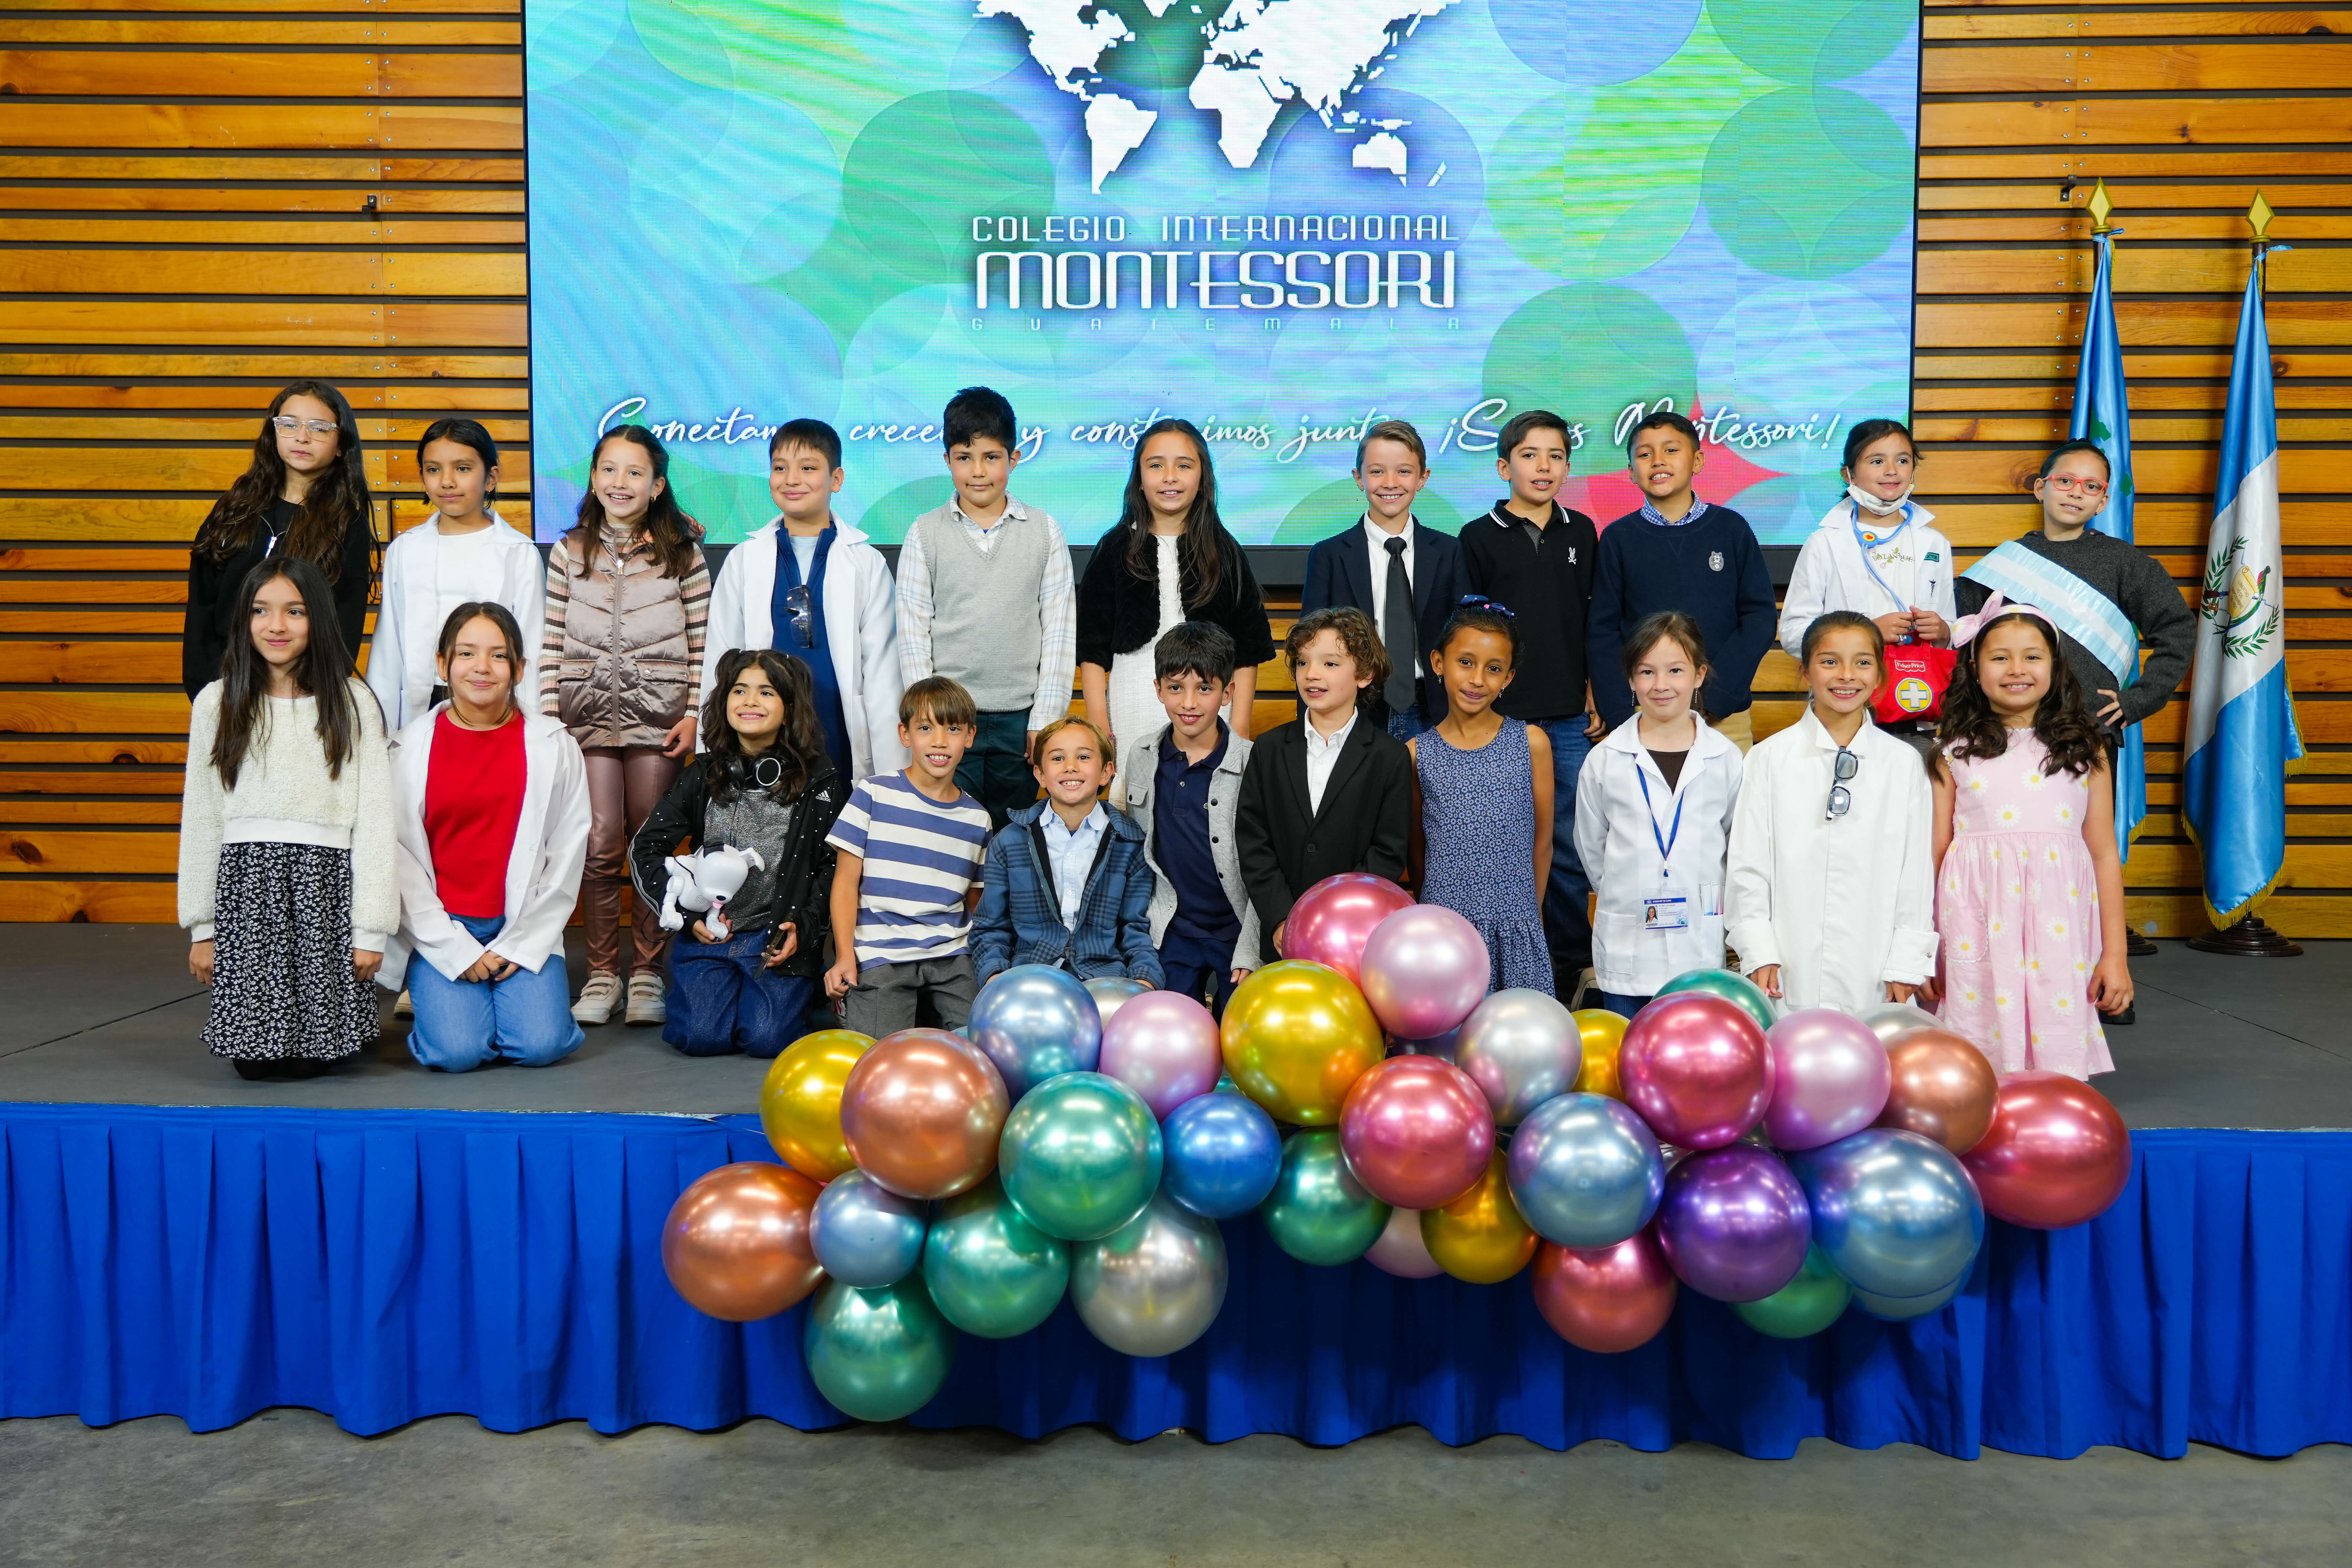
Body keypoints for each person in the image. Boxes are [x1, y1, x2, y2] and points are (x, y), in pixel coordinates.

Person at [1957, 437, 2194, 992]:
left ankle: (2097, 980)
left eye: (2091, 486)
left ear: (2104, 499)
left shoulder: (2126, 563)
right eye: (2065, 481)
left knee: (2085, 857)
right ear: (2040, 487)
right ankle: (2008, 980)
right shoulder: (1997, 567)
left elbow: (2177, 632)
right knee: (2010, 857)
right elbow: (1963, 648)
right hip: (2002, 740)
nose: (2075, 492)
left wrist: (2137, 700)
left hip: (2084, 736)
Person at [178, 558, 394, 1079]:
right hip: (249, 893)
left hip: (326, 888)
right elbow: (202, 818)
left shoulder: (353, 702)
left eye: (295, 611)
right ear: (244, 619)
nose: (277, 626)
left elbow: (375, 820)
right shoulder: (217, 702)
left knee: (318, 1059)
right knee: (255, 1065)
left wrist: (371, 931)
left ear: (319, 618)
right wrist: (203, 928)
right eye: (262, 611)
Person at [540, 425, 712, 1028]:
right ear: (593, 478)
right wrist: (548, 718)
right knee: (598, 843)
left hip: (659, 717)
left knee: (650, 843)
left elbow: (704, 640)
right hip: (583, 717)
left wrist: (694, 713)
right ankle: (601, 973)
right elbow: (550, 639)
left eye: (635, 472)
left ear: (656, 485)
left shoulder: (683, 553)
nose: (620, 482)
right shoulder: (569, 551)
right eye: (609, 469)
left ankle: (647, 973)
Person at [381, 603, 590, 1072]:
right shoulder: (405, 750)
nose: (482, 667)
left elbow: (568, 851)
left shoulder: (555, 745)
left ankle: (503, 1006)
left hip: (523, 921)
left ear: (519, 669)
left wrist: (521, 944)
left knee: (540, 1047)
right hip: (443, 924)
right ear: (442, 664)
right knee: (457, 1053)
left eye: (498, 656)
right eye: (466, 654)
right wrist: (451, 946)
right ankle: (451, 1004)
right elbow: (399, 860)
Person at [1931, 600, 2129, 1075]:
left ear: (2055, 667)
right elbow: (1935, 854)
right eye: (2000, 657)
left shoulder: (2087, 749)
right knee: (1977, 1032)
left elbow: (2104, 854)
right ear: (1974, 668)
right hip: (1976, 919)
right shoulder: (1952, 753)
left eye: (2032, 657)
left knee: (2055, 1018)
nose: (2016, 669)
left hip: (2057, 921)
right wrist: (1928, 949)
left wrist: (2116, 955)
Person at [630, 649, 844, 1058]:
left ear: (790, 708)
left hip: (775, 940)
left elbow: (833, 865)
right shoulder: (702, 774)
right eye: (740, 690)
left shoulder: (821, 779)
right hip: (710, 933)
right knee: (700, 1037)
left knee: (768, 1039)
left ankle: (799, 989)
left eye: (767, 692)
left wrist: (805, 927)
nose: (750, 701)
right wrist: (688, 917)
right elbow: (646, 848)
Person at [1726, 611, 1936, 1013]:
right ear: (1805, 671)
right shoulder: (1769, 758)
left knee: (1872, 1045)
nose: (1846, 675)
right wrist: (1758, 948)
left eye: (1863, 662)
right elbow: (1747, 865)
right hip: (1787, 965)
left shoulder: (1902, 763)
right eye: (1829, 661)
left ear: (1880, 674)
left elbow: (1916, 872)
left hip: (1877, 967)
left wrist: (1907, 959)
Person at [1459, 409, 1601, 990]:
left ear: (1567, 467)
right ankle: (1498, 960)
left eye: (1556, 456)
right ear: (1503, 467)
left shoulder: (1582, 532)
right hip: (1501, 719)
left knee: (1566, 841)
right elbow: (1469, 631)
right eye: (1529, 455)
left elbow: (1594, 621)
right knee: (1502, 841)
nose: (1543, 466)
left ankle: (1568, 961)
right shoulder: (1477, 537)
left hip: (1567, 716)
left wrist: (1594, 688)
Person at [896, 386, 1075, 827]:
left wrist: (1045, 719)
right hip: (950, 719)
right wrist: (928, 719)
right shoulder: (924, 533)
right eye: (965, 457)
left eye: (992, 457)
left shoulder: (1045, 531)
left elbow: (1059, 630)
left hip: (1021, 719)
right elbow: (913, 632)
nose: (978, 471)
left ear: (1014, 459)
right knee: (950, 829)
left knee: (1015, 832)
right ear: (947, 461)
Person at [702, 419, 905, 783]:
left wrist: (892, 775)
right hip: (762, 731)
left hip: (838, 730)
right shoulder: (744, 560)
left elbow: (883, 675)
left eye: (808, 468)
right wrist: (711, 754)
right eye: (780, 468)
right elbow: (721, 660)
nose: (792, 480)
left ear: (837, 479)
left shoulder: (867, 563)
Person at [1575, 612, 1744, 1017]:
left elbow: (1735, 843)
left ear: (1699, 675)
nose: (1661, 684)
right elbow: (1592, 848)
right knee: (1627, 1047)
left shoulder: (1725, 758)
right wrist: (1629, 886)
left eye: (1675, 670)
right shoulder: (1605, 759)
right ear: (1631, 680)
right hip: (1628, 944)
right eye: (1647, 671)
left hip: (1698, 943)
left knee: (1694, 1049)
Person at [1078, 418, 1275, 758]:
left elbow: (1248, 651)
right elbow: (1091, 650)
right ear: (1139, 479)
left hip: (1209, 711)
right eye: (1156, 466)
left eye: (1184, 465)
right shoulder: (1113, 549)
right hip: (1132, 705)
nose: (1170, 476)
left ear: (1203, 478)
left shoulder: (1224, 550)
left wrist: (1240, 728)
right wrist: (1099, 724)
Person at [1589, 411, 1775, 753]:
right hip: (1644, 713)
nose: (1658, 461)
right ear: (1631, 472)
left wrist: (1717, 697)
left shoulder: (1731, 528)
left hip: (1723, 718)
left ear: (1698, 461)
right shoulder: (1617, 538)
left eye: (1671, 450)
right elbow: (1603, 631)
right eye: (1645, 454)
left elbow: (1759, 618)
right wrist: (1619, 713)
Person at [183, 380, 377, 698]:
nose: (302, 437)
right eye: (289, 424)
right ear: (273, 434)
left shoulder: (347, 524)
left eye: (319, 428)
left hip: (301, 694)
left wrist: (310, 697)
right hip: (225, 686)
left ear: (341, 444)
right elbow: (202, 607)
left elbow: (344, 626)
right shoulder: (234, 509)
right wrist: (208, 693)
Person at [823, 676, 994, 1034]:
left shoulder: (978, 819)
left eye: (953, 729)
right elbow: (845, 883)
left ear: (970, 736)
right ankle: (852, 1004)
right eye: (926, 728)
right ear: (905, 734)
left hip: (951, 953)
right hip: (882, 951)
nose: (939, 741)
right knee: (881, 1053)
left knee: (983, 1041)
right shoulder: (873, 794)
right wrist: (845, 956)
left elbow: (975, 900)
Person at [1235, 607, 1413, 950]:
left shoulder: (1389, 757)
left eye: (1330, 664)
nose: (1312, 674)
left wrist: (1335, 919)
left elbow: (1387, 853)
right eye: (1303, 663)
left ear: (1365, 675)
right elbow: (1253, 841)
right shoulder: (1269, 748)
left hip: (1352, 936)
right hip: (1281, 936)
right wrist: (1282, 919)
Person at [1779, 419, 1955, 759]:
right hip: (1843, 710)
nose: (1892, 471)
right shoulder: (1824, 542)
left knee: (1911, 786)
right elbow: (1792, 633)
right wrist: (1867, 634)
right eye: (1877, 461)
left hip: (1913, 709)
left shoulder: (1935, 543)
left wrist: (1944, 631)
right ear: (1849, 475)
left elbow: (1949, 626)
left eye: (1903, 460)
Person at [1409, 597, 1554, 996]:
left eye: (1493, 669)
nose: (1477, 680)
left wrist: (1528, 914)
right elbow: (1417, 851)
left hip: (1517, 928)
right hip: (1445, 936)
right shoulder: (1417, 753)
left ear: (1508, 677)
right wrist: (1434, 915)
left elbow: (1542, 842)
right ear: (1438, 663)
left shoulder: (1531, 743)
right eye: (1465, 662)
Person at [368, 419, 543, 733]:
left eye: (463, 469)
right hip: (424, 703)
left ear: (491, 477)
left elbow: (530, 646)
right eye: (434, 470)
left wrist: (532, 728)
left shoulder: (518, 552)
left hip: (494, 700)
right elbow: (388, 648)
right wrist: (379, 730)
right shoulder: (406, 549)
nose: (447, 482)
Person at [1122, 622, 1261, 1017]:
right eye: (1175, 687)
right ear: (1158, 689)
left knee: (1239, 1035)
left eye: (1204, 688)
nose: (1188, 702)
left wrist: (1252, 944)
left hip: (1236, 932)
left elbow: (1268, 862)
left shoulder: (1253, 762)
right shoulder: (1142, 754)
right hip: (1172, 931)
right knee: (1174, 1032)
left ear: (1227, 693)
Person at [1299, 418, 1468, 741]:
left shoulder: (1449, 551)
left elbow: (1463, 635)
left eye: (1404, 471)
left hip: (1434, 709)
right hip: (1353, 707)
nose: (1390, 483)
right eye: (1377, 472)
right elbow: (1309, 646)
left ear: (1423, 478)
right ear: (1359, 478)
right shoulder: (1329, 555)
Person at [972, 717, 1162, 988]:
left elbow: (1136, 930)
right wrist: (995, 977)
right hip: (1029, 978)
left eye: (1083, 757)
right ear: (1040, 775)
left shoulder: (1130, 844)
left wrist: (1145, 980)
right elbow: (991, 928)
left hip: (1104, 979)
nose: (1071, 767)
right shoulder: (1009, 842)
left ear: (1106, 772)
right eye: (1058, 759)